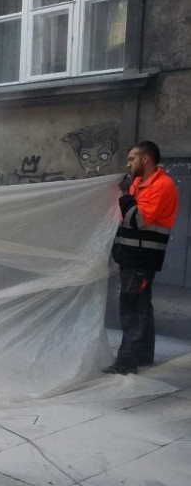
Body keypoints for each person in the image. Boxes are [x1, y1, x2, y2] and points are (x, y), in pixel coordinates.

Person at [103, 141, 178, 375]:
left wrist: (125, 197)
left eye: (131, 159)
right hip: (132, 256)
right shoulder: (139, 183)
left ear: (146, 159)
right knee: (141, 305)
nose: (128, 164)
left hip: (142, 259)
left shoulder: (161, 186)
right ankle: (143, 355)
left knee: (132, 307)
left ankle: (126, 362)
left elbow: (137, 220)